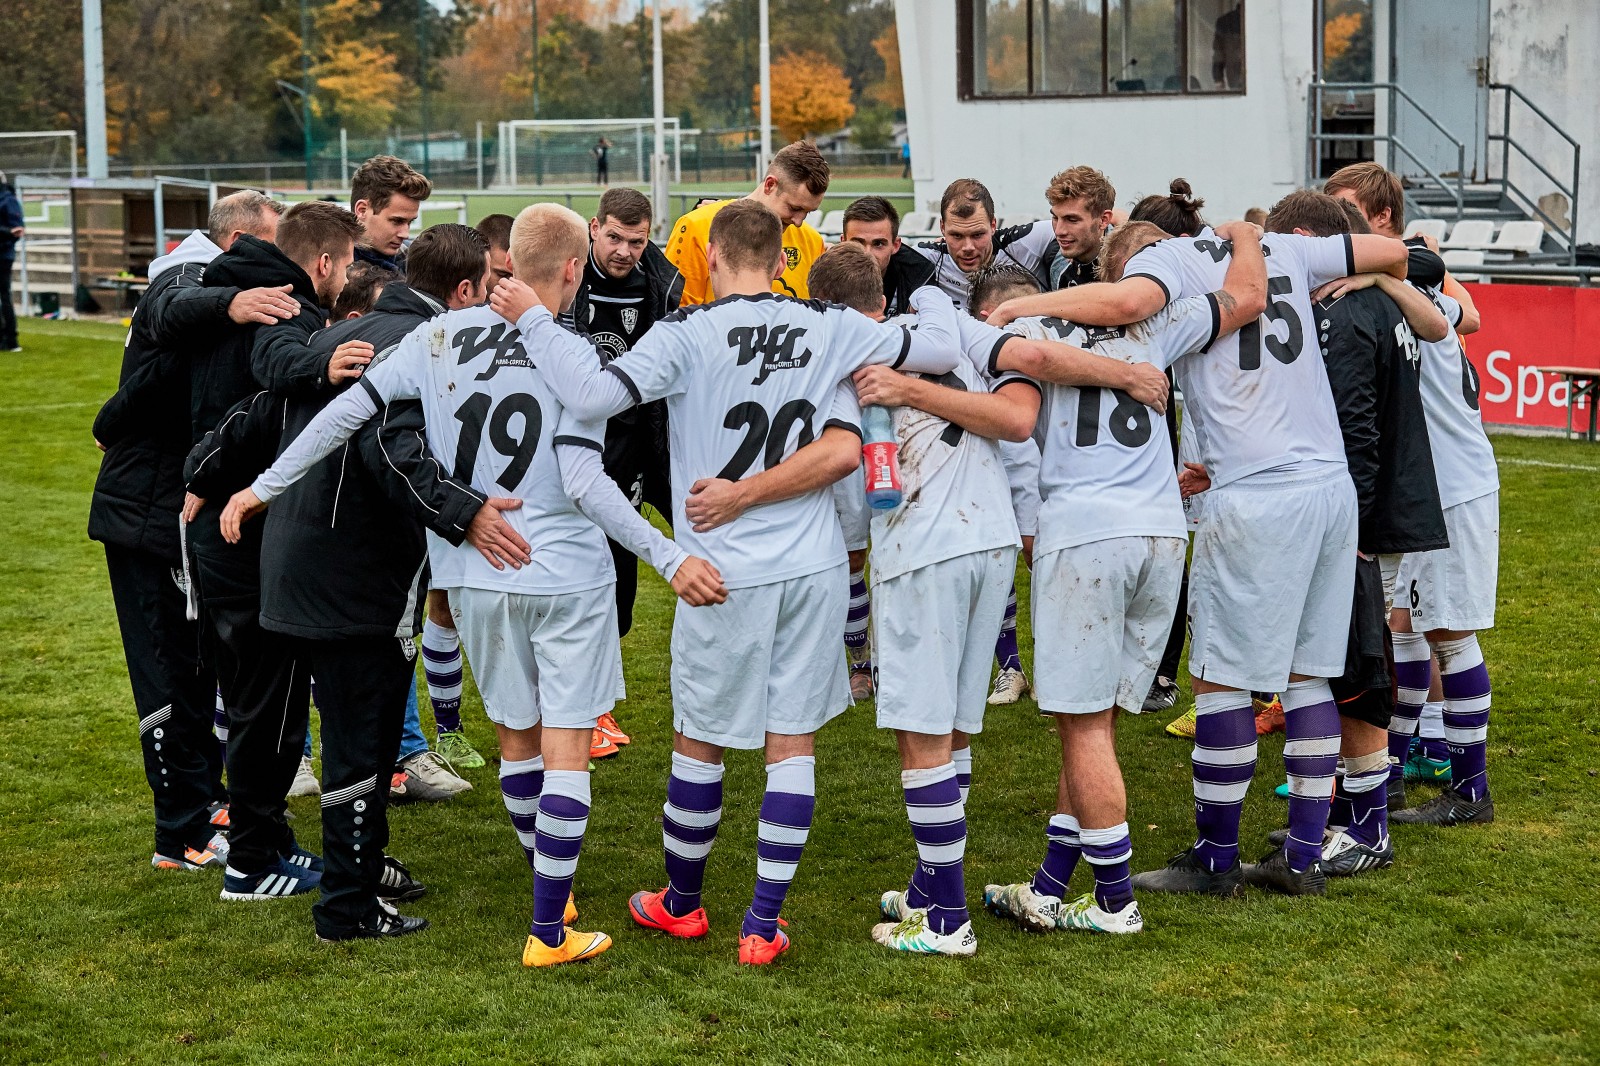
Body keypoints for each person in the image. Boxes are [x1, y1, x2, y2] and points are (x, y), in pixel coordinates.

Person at [220, 202, 724, 966]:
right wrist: (668, 555)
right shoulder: (573, 354)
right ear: (572, 269)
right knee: (566, 749)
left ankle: (550, 887)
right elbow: (588, 481)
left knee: (518, 743)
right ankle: (549, 927)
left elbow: (344, 417)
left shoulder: (436, 337)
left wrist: (262, 486)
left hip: (478, 573)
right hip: (565, 574)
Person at [499, 199, 970, 965]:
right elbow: (941, 345)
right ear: (783, 258)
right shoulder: (831, 324)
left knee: (701, 740)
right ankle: (761, 924)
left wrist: (533, 320)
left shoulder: (685, 332)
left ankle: (681, 903)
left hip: (719, 567)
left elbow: (589, 397)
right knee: (792, 743)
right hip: (813, 564)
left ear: (710, 258)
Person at [985, 190, 1412, 897]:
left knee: (1221, 678)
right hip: (1327, 483)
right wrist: (1354, 274)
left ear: (1129, 259)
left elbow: (1127, 308)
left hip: (1254, 494)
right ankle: (1303, 856)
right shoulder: (1288, 246)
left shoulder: (1169, 265)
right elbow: (1396, 252)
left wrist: (1014, 309)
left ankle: (1215, 857)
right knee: (1308, 671)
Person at [982, 217, 1265, 935]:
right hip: (1162, 531)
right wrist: (1247, 239)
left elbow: (1025, 389)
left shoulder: (1022, 335)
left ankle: (1113, 900)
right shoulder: (1157, 327)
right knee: (1096, 721)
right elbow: (1244, 300)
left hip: (1086, 534)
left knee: (1082, 726)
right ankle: (1049, 885)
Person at [88, 190, 297, 872]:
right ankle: (177, 831)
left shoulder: (213, 281)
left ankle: (203, 809)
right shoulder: (188, 275)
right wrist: (231, 304)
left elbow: (154, 382)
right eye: (271, 244)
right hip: (146, 514)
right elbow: (164, 315)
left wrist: (111, 420)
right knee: (167, 674)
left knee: (197, 669)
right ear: (238, 243)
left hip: (169, 510)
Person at [1256, 190, 1450, 875]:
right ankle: (1342, 815)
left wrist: (1356, 531)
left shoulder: (1341, 311)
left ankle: (1367, 830)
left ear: (1308, 239)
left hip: (1353, 521)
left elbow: (1354, 430)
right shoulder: (1376, 300)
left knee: (1354, 672)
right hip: (1368, 511)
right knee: (1345, 665)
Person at [1325, 162, 1501, 828]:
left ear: (1378, 221)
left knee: (1450, 635)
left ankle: (1471, 790)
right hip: (1421, 492)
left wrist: (1384, 273)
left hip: (1449, 491)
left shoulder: (1412, 285)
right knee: (1403, 626)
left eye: (1344, 210)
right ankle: (1391, 768)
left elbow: (1443, 296)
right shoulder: (1395, 290)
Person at [833, 195, 938, 698]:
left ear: (897, 244)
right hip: (845, 434)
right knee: (854, 554)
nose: (870, 252)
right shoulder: (829, 279)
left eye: (880, 243)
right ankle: (859, 660)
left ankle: (902, 659)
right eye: (859, 241)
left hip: (910, 432)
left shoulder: (922, 278)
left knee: (906, 547)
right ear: (841, 240)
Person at [665, 141, 830, 304]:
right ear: (770, 185)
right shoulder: (696, 227)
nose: (798, 221)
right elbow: (676, 314)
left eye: (808, 212)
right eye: (794, 208)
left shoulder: (812, 241)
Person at [912, 177, 1058, 311]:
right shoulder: (927, 257)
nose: (968, 247)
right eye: (956, 235)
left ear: (993, 225)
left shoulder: (1023, 243)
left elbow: (1075, 226)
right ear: (942, 228)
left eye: (977, 235)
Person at [1036, 166, 1116, 290]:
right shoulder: (1056, 260)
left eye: (1072, 220)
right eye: (1055, 218)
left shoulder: (1129, 261)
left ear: (1103, 220)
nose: (1059, 231)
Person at [350, 155, 432, 272]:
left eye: (410, 222)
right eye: (397, 221)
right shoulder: (329, 268)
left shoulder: (414, 261)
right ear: (362, 210)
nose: (405, 234)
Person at [0, 172, 23, 352]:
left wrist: (6, 234)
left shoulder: (8, 200)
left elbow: (17, 230)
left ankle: (11, 338)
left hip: (3, 254)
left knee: (4, 296)